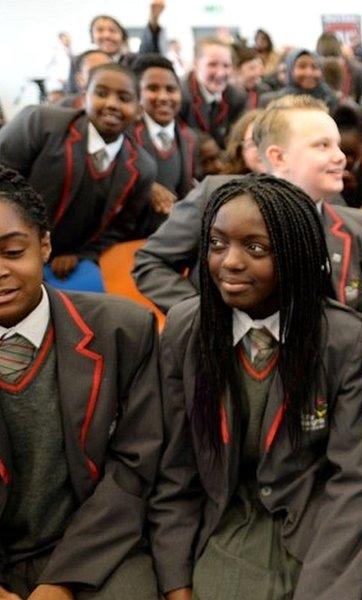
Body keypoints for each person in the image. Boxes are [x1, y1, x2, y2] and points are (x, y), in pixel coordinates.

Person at [148, 175, 362, 600]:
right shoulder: (187, 330)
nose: (230, 262)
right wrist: (176, 579)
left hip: (325, 524)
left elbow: (354, 477)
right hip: (231, 521)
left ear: (297, 257)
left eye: (256, 248)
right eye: (217, 243)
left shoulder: (343, 338)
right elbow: (176, 470)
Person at [0, 167, 162, 599]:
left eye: (13, 252)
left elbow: (134, 466)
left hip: (97, 546)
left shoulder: (123, 332)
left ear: (45, 245)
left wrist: (59, 583)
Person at [132, 95, 362, 317]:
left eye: (336, 144)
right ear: (278, 157)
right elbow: (151, 263)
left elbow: (344, 307)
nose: (340, 157)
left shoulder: (350, 227)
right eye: (322, 145)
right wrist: (206, 318)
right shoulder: (217, 197)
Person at [0, 63, 156, 290]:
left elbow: (121, 227)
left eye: (124, 98)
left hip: (69, 262)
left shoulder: (143, 167)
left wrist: (82, 254)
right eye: (101, 93)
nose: (112, 104)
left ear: (139, 109)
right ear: (84, 98)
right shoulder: (40, 122)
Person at [130, 53, 199, 228]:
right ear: (138, 94)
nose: (163, 97)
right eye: (153, 89)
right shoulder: (125, 136)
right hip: (132, 236)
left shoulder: (190, 138)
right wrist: (147, 188)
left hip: (176, 235)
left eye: (170, 89)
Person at [179, 37, 246, 148]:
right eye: (212, 65)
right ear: (196, 64)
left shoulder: (237, 97)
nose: (220, 73)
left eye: (226, 65)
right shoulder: (179, 97)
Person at [258, 49, 338, 112]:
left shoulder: (331, 99)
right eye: (302, 66)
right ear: (290, 69)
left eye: (314, 67)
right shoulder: (274, 102)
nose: (309, 73)